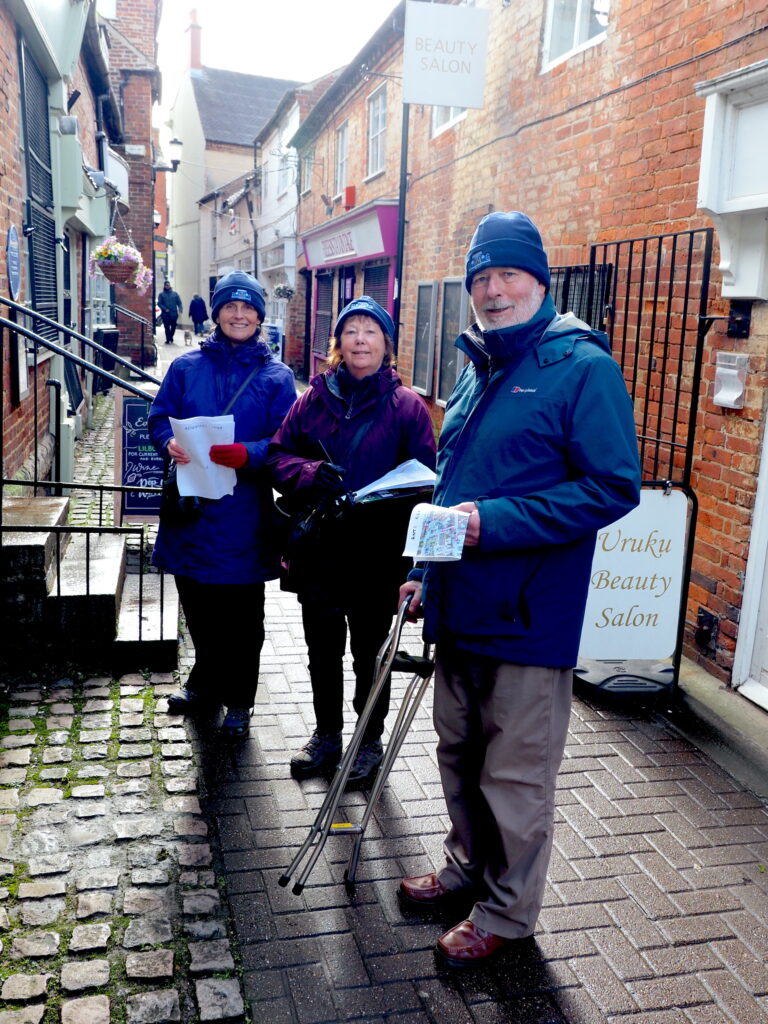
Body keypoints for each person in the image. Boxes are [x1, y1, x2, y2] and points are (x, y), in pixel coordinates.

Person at [397, 212, 641, 965]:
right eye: (481, 279)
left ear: (540, 280)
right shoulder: (479, 368)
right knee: (458, 754)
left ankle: (506, 913)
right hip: (460, 607)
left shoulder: (581, 367)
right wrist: (419, 570)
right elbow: (452, 487)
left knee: (516, 773)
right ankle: (466, 866)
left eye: (507, 275)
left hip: (532, 615)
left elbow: (612, 486)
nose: (493, 291)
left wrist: (490, 525)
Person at [267, 296, 436, 784]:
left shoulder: (407, 407)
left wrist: (394, 505)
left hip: (377, 552)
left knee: (369, 652)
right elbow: (278, 455)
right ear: (338, 343)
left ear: (386, 345)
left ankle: (368, 740)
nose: (360, 340)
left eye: (371, 332)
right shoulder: (312, 400)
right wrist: (309, 472)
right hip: (320, 548)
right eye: (351, 331)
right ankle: (326, 735)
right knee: (322, 648)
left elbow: (429, 479)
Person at [149, 270, 296, 738]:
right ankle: (205, 684)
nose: (238, 314)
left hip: (242, 517)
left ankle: (239, 700)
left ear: (259, 315)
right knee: (198, 609)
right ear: (216, 314)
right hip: (192, 511)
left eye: (247, 307)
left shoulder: (277, 378)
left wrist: (250, 454)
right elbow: (158, 418)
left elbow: (286, 443)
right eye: (230, 307)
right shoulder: (186, 367)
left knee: (242, 619)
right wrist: (167, 441)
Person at [158, 280, 183, 344]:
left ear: (170, 286)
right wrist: (165, 309)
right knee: (166, 327)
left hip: (174, 314)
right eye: (166, 285)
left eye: (168, 285)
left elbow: (179, 303)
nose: (167, 286)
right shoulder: (161, 294)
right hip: (165, 314)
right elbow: (159, 304)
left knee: (173, 327)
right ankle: (168, 339)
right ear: (164, 286)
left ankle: (170, 336)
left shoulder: (175, 294)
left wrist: (180, 309)